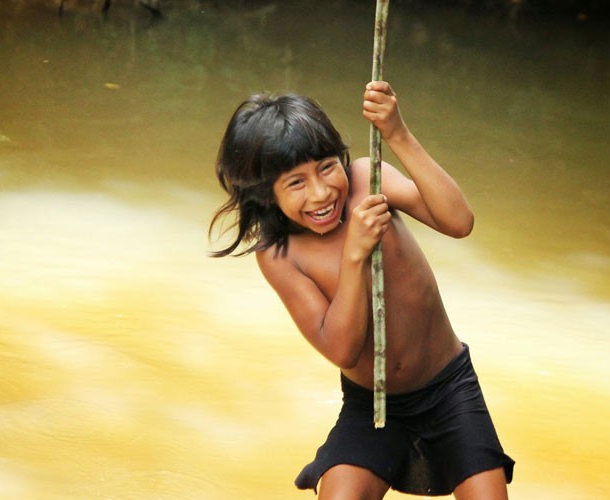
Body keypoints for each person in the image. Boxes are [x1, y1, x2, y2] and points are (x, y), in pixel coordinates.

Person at [209, 81, 514, 499]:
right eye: (296, 183)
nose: (321, 192)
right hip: (373, 405)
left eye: (326, 167)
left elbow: (459, 222)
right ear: (266, 194)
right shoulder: (280, 254)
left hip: (448, 387)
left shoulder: (367, 179)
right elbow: (343, 350)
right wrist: (354, 256)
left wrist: (398, 134)